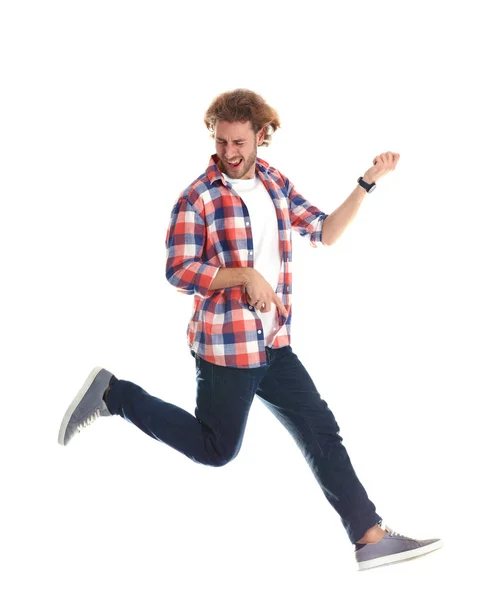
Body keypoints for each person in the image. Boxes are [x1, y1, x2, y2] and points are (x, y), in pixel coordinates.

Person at [58, 89, 442, 571]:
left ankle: (370, 539)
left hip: (274, 343)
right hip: (227, 349)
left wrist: (367, 182)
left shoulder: (275, 182)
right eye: (221, 141)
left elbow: (324, 231)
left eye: (239, 141)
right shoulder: (198, 197)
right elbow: (178, 271)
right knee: (216, 450)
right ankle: (115, 395)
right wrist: (244, 275)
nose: (229, 152)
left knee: (321, 430)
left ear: (262, 136)